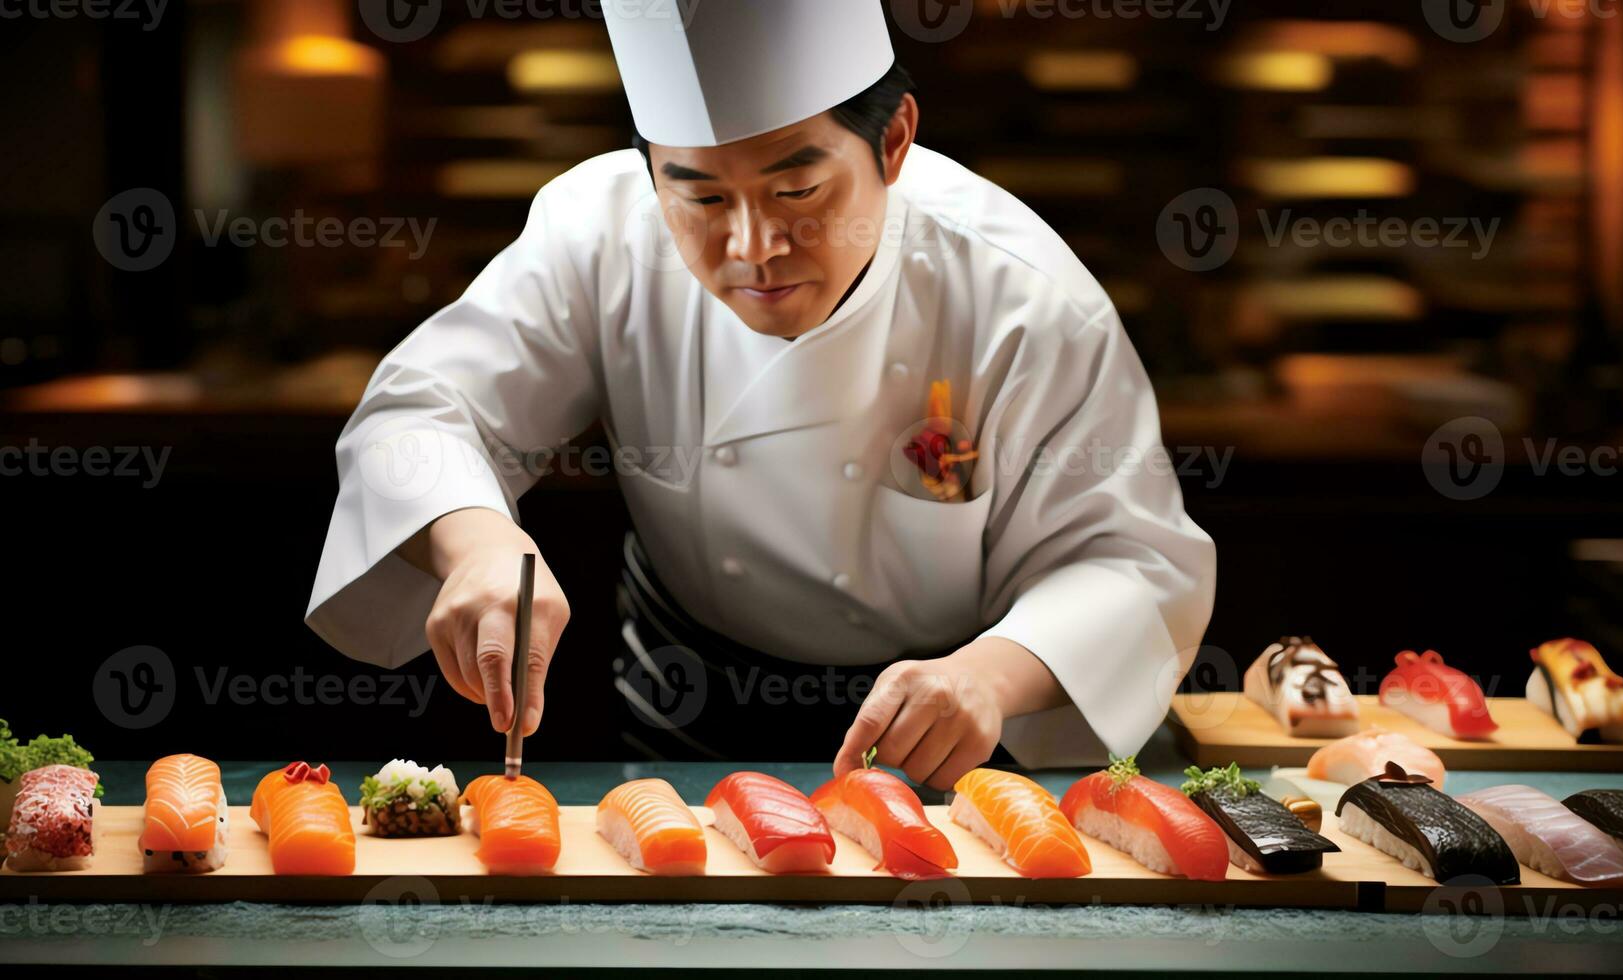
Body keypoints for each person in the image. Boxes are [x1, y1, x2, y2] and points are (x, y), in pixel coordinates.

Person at [306, 0, 1215, 789]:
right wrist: (475, 545)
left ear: (893, 140)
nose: (751, 247)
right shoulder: (598, 232)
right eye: (697, 197)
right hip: (689, 713)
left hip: (948, 737)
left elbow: (1131, 562)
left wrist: (988, 675)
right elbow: (420, 412)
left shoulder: (1019, 292)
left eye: (797, 187)